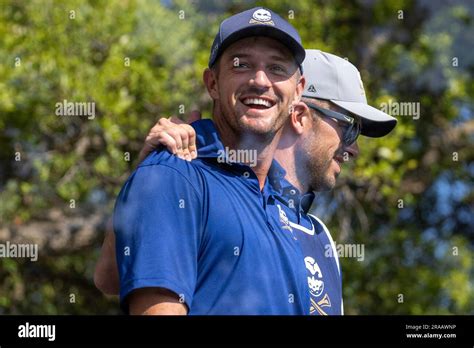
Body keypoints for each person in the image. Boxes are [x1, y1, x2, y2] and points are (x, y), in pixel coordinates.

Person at [96, 48, 397, 315]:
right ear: (300, 115)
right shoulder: (193, 176)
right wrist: (148, 176)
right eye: (350, 129)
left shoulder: (319, 235)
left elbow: (109, 278)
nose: (354, 148)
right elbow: (111, 277)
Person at [113, 7, 309, 315]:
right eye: (241, 64)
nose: (260, 80)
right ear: (213, 83)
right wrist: (141, 183)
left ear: (298, 91)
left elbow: (107, 276)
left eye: (277, 68)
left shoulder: (282, 201)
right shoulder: (174, 173)